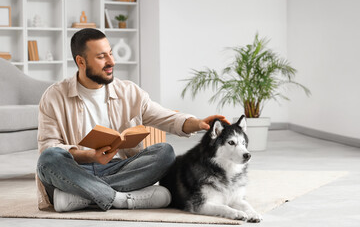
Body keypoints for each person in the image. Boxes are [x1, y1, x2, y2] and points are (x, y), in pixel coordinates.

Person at [36, 28, 229, 212]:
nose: (111, 61)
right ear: (81, 61)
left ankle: (82, 196)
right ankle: (120, 199)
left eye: (110, 53)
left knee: (164, 151)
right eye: (101, 57)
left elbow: (167, 117)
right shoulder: (54, 96)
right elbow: (48, 147)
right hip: (72, 171)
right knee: (48, 159)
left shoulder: (129, 91)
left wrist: (198, 122)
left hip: (118, 169)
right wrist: (89, 156)